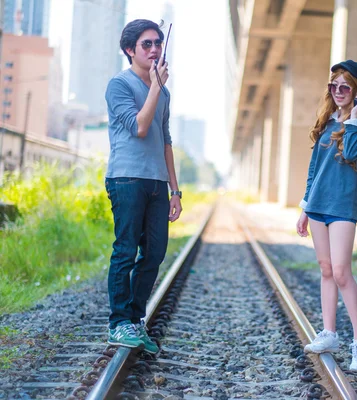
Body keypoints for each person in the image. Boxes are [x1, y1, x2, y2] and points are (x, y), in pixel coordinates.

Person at [104, 19, 182, 354]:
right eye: (146, 44)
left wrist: (175, 191)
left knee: (154, 254)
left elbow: (165, 141)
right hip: (127, 178)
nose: (154, 50)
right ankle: (119, 323)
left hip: (157, 182)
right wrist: (154, 86)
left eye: (157, 44)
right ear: (129, 50)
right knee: (125, 250)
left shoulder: (163, 91)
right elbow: (139, 127)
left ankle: (135, 320)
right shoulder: (118, 85)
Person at [297, 60, 357, 372]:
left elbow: (354, 153)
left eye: (345, 87)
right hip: (318, 205)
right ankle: (329, 333)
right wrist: (304, 207)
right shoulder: (326, 122)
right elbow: (314, 169)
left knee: (342, 271)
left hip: (343, 206)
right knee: (326, 268)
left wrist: (354, 117)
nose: (338, 92)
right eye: (334, 86)